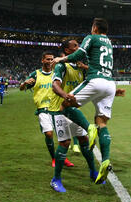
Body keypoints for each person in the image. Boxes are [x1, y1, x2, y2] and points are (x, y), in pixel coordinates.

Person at [51, 18, 117, 184]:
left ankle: (89, 128)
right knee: (102, 123)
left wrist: (61, 59)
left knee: (65, 105)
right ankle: (106, 160)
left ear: (94, 28)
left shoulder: (92, 37)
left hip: (96, 81)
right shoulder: (109, 42)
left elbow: (80, 54)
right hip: (110, 83)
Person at [49, 39, 101, 192]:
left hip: (71, 110)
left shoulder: (80, 68)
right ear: (67, 50)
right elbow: (55, 85)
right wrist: (65, 96)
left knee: (84, 139)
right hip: (59, 109)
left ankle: (93, 172)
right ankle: (56, 179)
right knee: (65, 143)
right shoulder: (61, 65)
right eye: (75, 46)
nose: (79, 48)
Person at [20, 52, 74, 168]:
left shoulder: (57, 74)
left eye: (51, 59)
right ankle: (54, 158)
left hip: (57, 108)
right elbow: (22, 88)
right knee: (49, 134)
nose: (50, 61)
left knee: (63, 137)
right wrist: (24, 83)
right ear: (42, 60)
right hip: (43, 109)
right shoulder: (36, 74)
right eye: (48, 59)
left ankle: (63, 158)